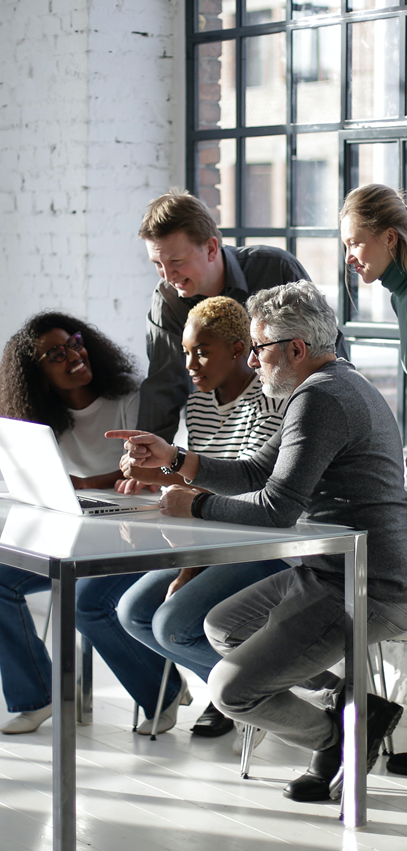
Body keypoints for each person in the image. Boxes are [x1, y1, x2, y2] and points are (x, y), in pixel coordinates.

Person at [107, 281, 407, 803]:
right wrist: (174, 459)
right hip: (330, 569)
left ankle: (340, 738)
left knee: (230, 690)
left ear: (296, 348)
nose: (251, 360)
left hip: (367, 583)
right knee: (222, 627)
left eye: (259, 348)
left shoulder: (321, 397)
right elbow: (253, 471)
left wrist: (194, 504)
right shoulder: (331, 384)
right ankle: (354, 705)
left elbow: (276, 510)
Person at [0, 311, 186, 734]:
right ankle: (37, 696)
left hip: (138, 531)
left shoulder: (129, 398)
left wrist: (85, 483)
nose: (73, 356)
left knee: (88, 604)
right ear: (37, 374)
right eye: (56, 354)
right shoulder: (41, 416)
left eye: (75, 343)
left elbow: (147, 467)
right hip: (80, 533)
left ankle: (165, 692)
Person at [114, 295, 290, 739]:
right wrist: (151, 473)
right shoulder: (198, 405)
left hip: (258, 543)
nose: (190, 364)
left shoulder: (270, 402)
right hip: (210, 539)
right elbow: (199, 478)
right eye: (186, 352)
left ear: (238, 349)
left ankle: (248, 695)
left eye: (203, 352)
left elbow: (244, 487)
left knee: (171, 626)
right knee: (133, 612)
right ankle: (238, 693)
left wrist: (189, 568)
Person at [136, 189, 348, 442]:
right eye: (157, 264)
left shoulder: (275, 268)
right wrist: (144, 451)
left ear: (211, 248)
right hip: (220, 432)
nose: (167, 276)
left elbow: (327, 349)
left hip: (298, 420)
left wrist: (342, 422)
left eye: (176, 261)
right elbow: (164, 385)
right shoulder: (167, 300)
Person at [340, 183, 407, 372]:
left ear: (390, 238)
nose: (348, 258)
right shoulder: (398, 297)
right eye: (346, 246)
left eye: (355, 243)